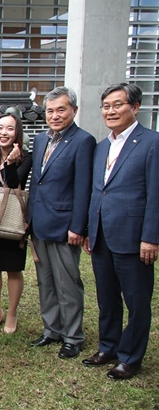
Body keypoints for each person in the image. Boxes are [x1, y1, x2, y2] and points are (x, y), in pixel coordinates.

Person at [82, 83, 159, 380]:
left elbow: (155, 194)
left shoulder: (151, 142)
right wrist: (90, 229)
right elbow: (96, 192)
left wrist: (151, 236)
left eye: (117, 105)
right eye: (106, 106)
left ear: (135, 107)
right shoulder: (102, 147)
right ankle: (108, 346)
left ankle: (130, 357)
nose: (110, 111)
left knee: (137, 302)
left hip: (134, 236)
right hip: (102, 234)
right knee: (107, 297)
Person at [27, 87, 95, 358]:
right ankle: (51, 329)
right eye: (50, 111)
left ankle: (73, 336)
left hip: (65, 225)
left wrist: (78, 227)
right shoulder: (41, 140)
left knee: (67, 283)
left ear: (74, 111)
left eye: (61, 110)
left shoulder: (83, 141)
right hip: (39, 223)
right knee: (45, 281)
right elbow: (38, 182)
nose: (54, 116)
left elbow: (83, 187)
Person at [0, 112, 32, 334]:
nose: (4, 132)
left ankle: (11, 313)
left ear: (17, 133)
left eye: (10, 128)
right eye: (0, 127)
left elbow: (14, 183)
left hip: (13, 220)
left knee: (13, 269)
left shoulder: (26, 157)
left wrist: (11, 163)